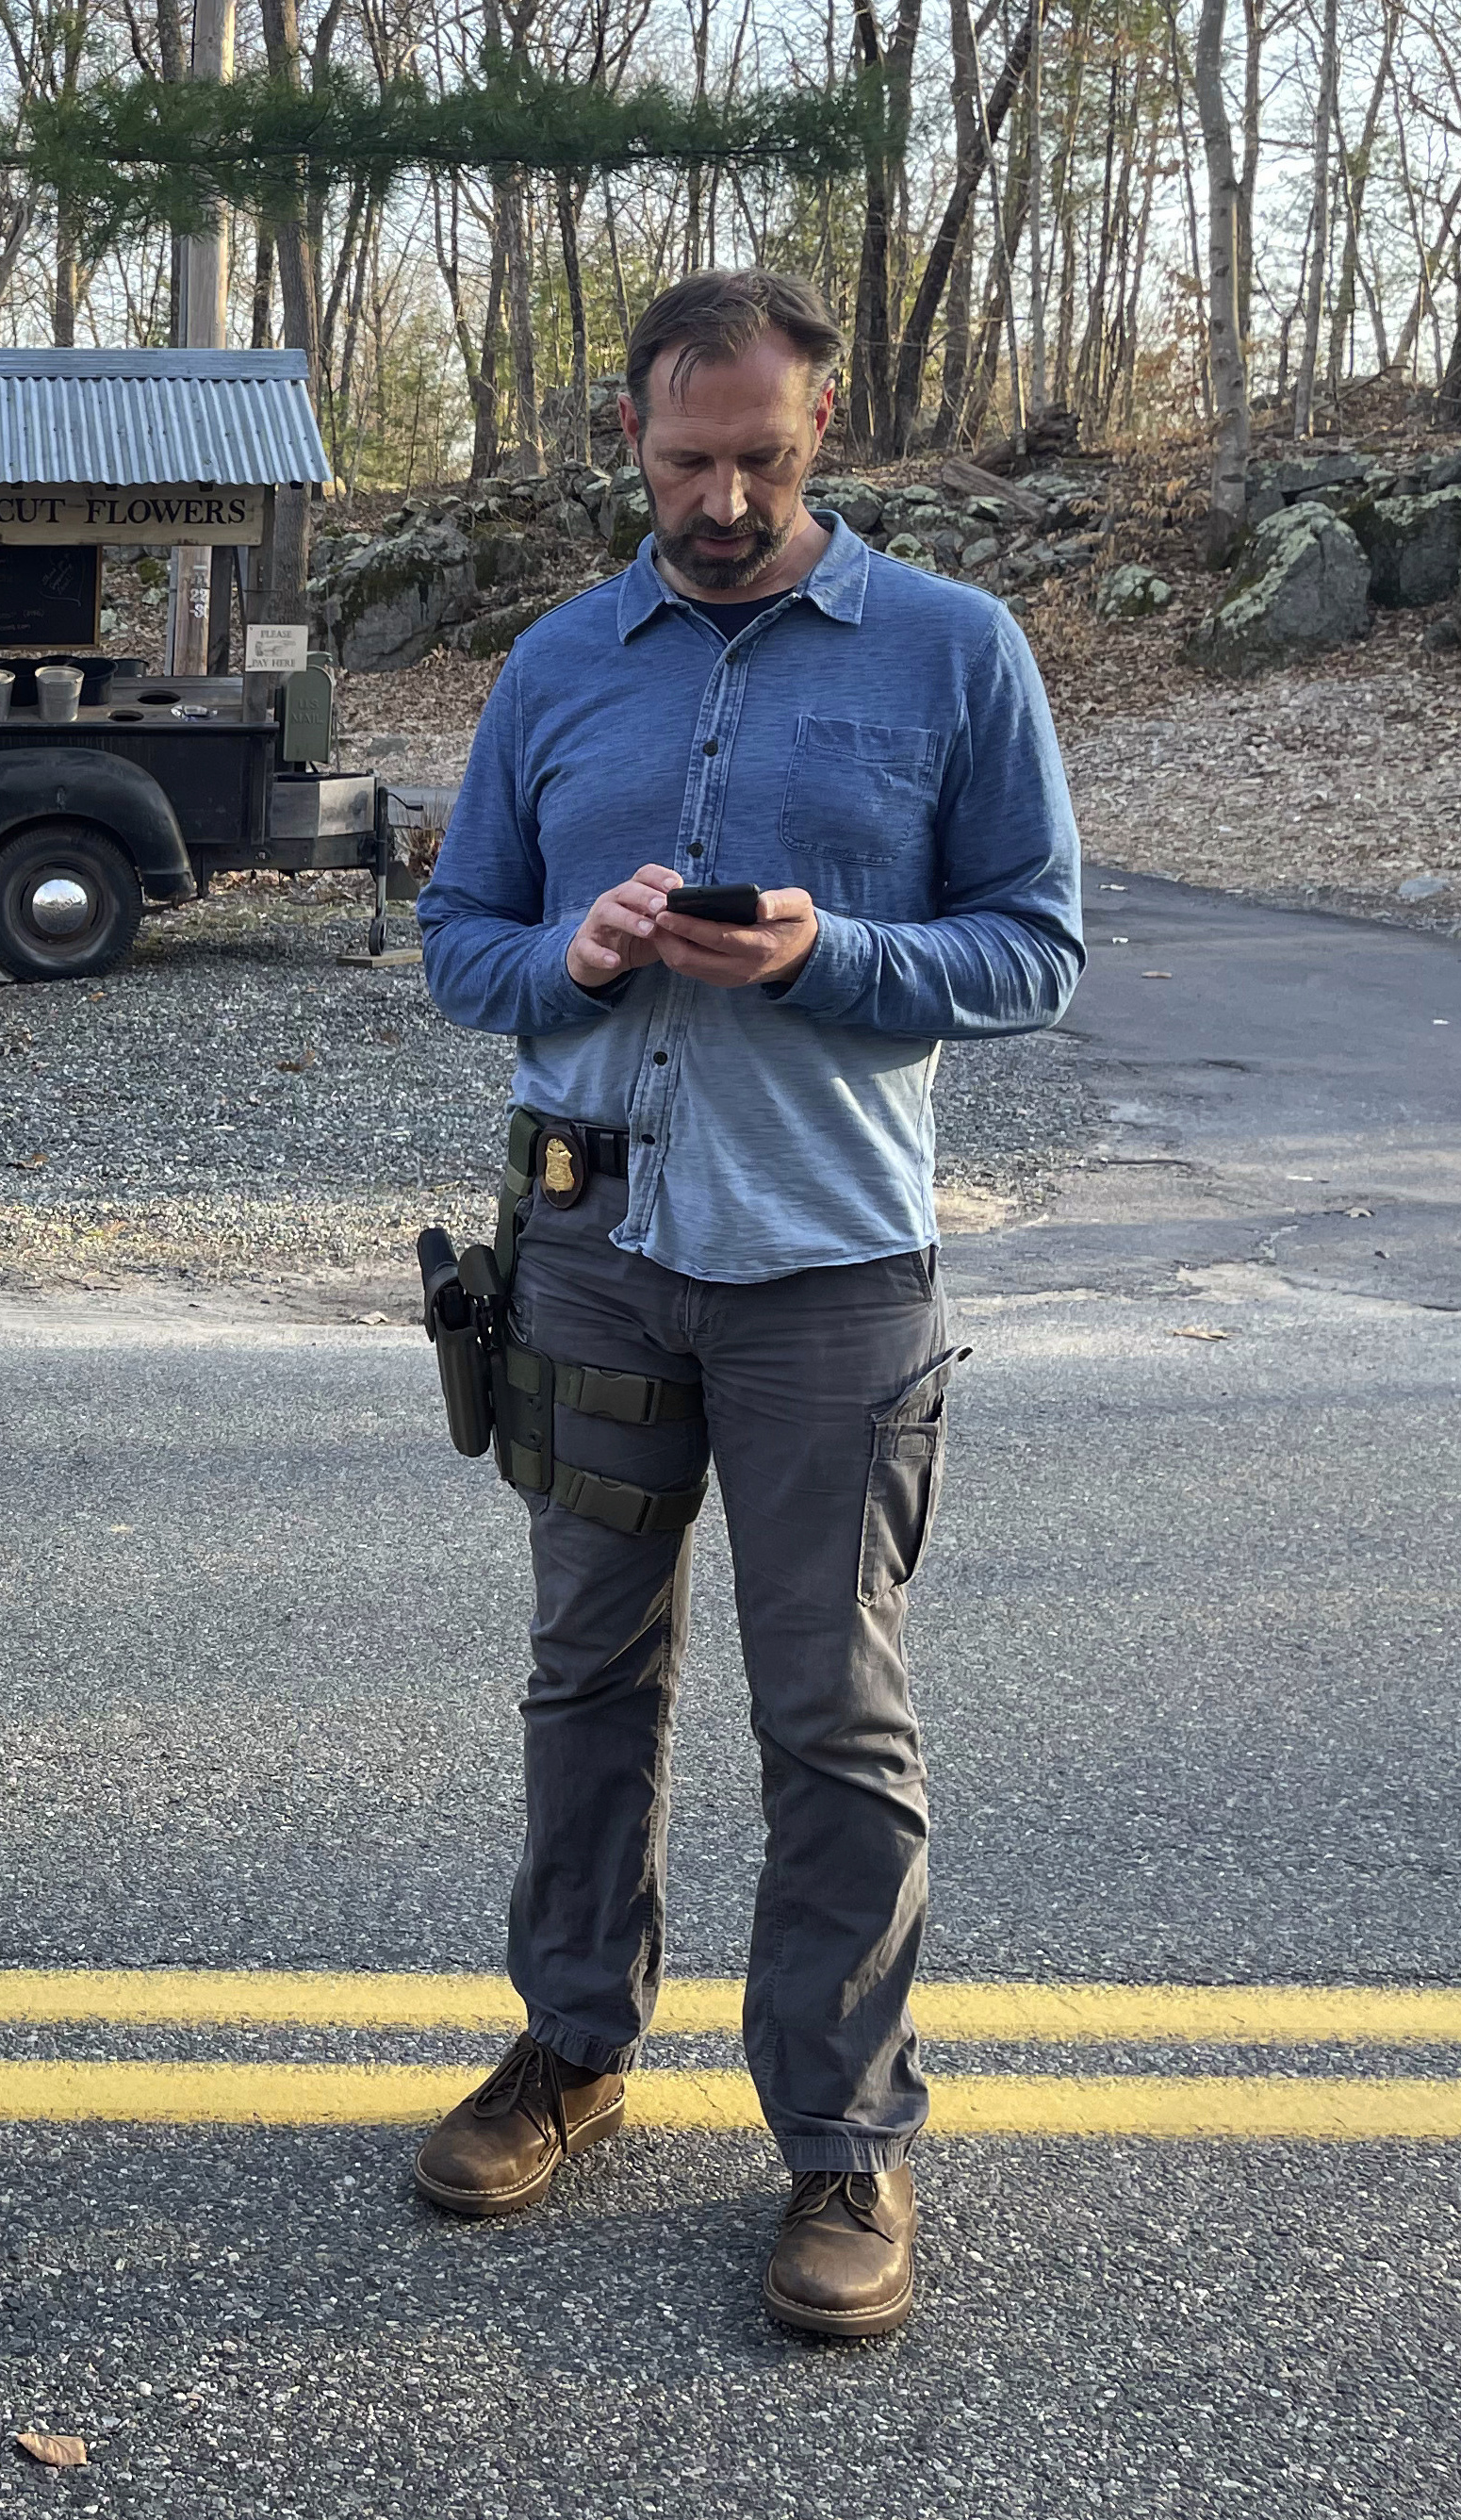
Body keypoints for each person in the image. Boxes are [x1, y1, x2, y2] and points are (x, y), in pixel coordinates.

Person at [405, 272, 1082, 2338]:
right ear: (627, 432)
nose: (720, 498)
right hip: (593, 1257)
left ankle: (843, 2142)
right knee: (583, 1677)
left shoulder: (954, 652)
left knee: (834, 1716)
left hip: (830, 1274)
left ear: (820, 433)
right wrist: (578, 958)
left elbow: (1032, 952)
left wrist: (826, 955)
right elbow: (458, 942)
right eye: (686, 458)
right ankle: (575, 2048)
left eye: (760, 460)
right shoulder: (554, 664)